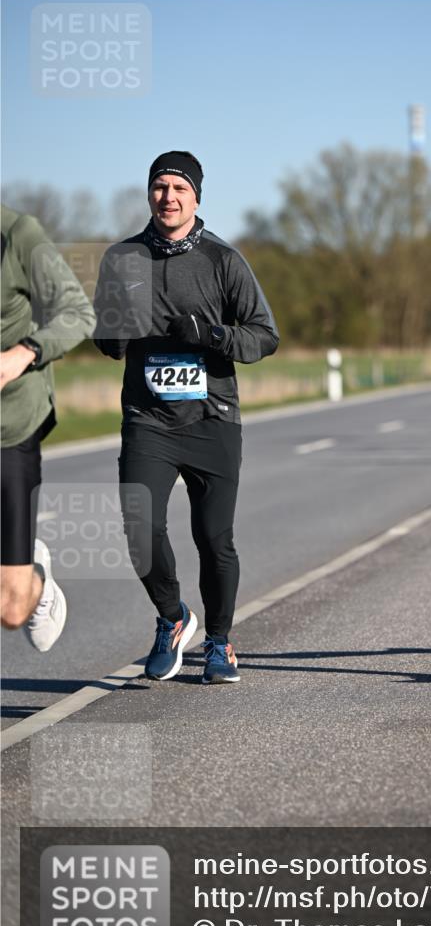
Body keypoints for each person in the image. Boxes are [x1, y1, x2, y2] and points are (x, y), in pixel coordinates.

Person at [94, 151, 279, 685]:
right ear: (149, 194)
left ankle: (219, 642)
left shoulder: (223, 260)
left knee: (214, 538)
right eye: (159, 187)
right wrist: (116, 332)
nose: (168, 197)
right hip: (148, 418)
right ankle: (172, 618)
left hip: (211, 418)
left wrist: (212, 335)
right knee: (139, 527)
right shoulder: (122, 258)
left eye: (179, 188)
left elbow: (265, 335)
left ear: (196, 197)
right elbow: (105, 339)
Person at [1, 205, 95, 649]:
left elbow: (78, 312)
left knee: (11, 609)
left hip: (11, 422)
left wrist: (22, 354)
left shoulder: (18, 234)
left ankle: (35, 578)